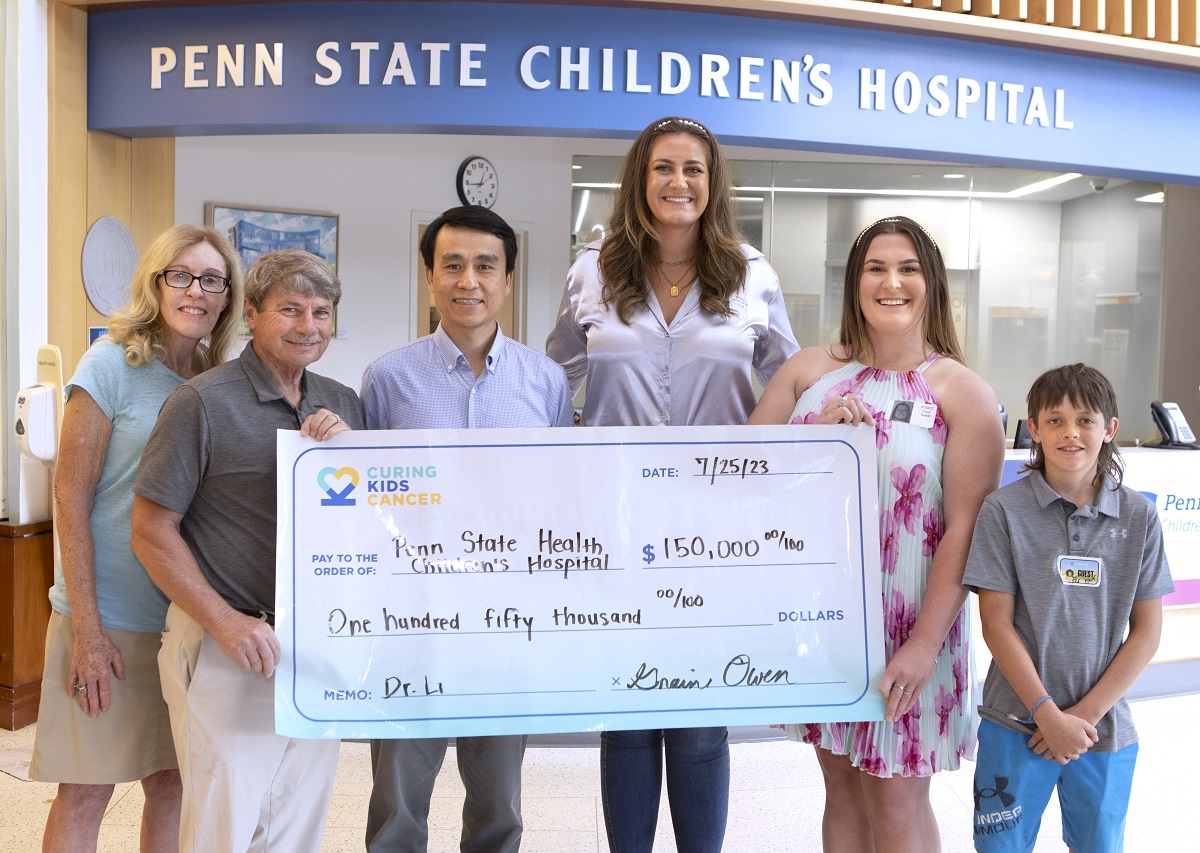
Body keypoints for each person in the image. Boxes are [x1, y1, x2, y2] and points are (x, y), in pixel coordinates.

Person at [547, 115, 799, 852]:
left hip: (715, 526)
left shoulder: (752, 273)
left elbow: (788, 380)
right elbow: (555, 372)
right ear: (639, 179)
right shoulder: (592, 269)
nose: (678, 182)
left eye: (693, 169)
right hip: (615, 522)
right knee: (626, 712)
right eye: (663, 167)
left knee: (696, 717)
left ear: (712, 183)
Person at [749, 215, 1004, 851]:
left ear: (933, 285)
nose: (892, 282)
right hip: (821, 619)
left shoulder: (963, 394)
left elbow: (965, 529)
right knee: (839, 784)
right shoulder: (807, 373)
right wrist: (806, 445)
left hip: (913, 622)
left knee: (895, 798)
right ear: (855, 284)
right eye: (876, 268)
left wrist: (922, 645)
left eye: (908, 269)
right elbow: (741, 482)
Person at [130, 249, 363, 853]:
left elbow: (368, 525)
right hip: (227, 645)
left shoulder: (343, 402)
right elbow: (151, 531)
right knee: (222, 830)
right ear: (251, 314)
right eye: (289, 310)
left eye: (321, 311)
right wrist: (226, 624)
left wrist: (351, 455)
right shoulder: (201, 403)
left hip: (314, 651)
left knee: (296, 827)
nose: (307, 325)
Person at [360, 206, 574, 853]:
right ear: (429, 276)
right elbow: (364, 500)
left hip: (507, 626)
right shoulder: (387, 378)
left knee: (499, 806)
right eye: (451, 265)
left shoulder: (547, 382)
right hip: (409, 623)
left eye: (485, 265)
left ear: (508, 279)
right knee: (396, 804)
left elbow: (562, 498)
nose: (468, 280)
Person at [28, 225, 242, 853]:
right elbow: (70, 496)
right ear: (155, 284)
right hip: (108, 617)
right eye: (180, 275)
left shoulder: (213, 379)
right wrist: (87, 629)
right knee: (86, 789)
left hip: (181, 618)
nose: (195, 291)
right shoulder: (110, 366)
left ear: (227, 296)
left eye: (211, 279)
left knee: (173, 783)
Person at [963, 364, 1173, 853]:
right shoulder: (1003, 511)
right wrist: (1047, 715)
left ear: (1110, 429)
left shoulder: (1139, 515)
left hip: (1102, 729)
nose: (1070, 432)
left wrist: (1081, 717)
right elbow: (995, 624)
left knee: (1100, 844)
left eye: (1085, 420)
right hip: (1015, 721)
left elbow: (1146, 634)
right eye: (1054, 420)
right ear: (1033, 428)